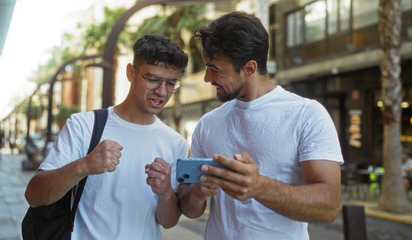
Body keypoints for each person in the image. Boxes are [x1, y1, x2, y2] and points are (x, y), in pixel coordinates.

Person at [178, 11, 344, 239]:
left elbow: (329, 206)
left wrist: (258, 187)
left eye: (215, 69)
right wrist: (197, 194)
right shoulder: (207, 123)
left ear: (249, 68)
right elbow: (188, 209)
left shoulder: (307, 115)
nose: (207, 78)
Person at [24, 34, 189, 239]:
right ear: (130, 72)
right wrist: (84, 165)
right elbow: (34, 195)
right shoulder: (83, 126)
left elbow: (169, 221)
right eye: (153, 79)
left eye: (171, 83)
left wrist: (165, 193)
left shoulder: (176, 143)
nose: (162, 92)